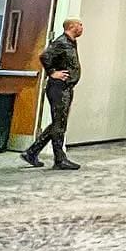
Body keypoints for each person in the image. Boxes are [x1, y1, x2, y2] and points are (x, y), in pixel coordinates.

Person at [21, 18, 83, 170]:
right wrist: (52, 72)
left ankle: (32, 152)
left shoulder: (71, 42)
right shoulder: (61, 42)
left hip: (66, 87)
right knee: (59, 124)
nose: (82, 28)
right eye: (79, 25)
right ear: (71, 26)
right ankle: (59, 159)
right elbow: (45, 56)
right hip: (58, 88)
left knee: (58, 123)